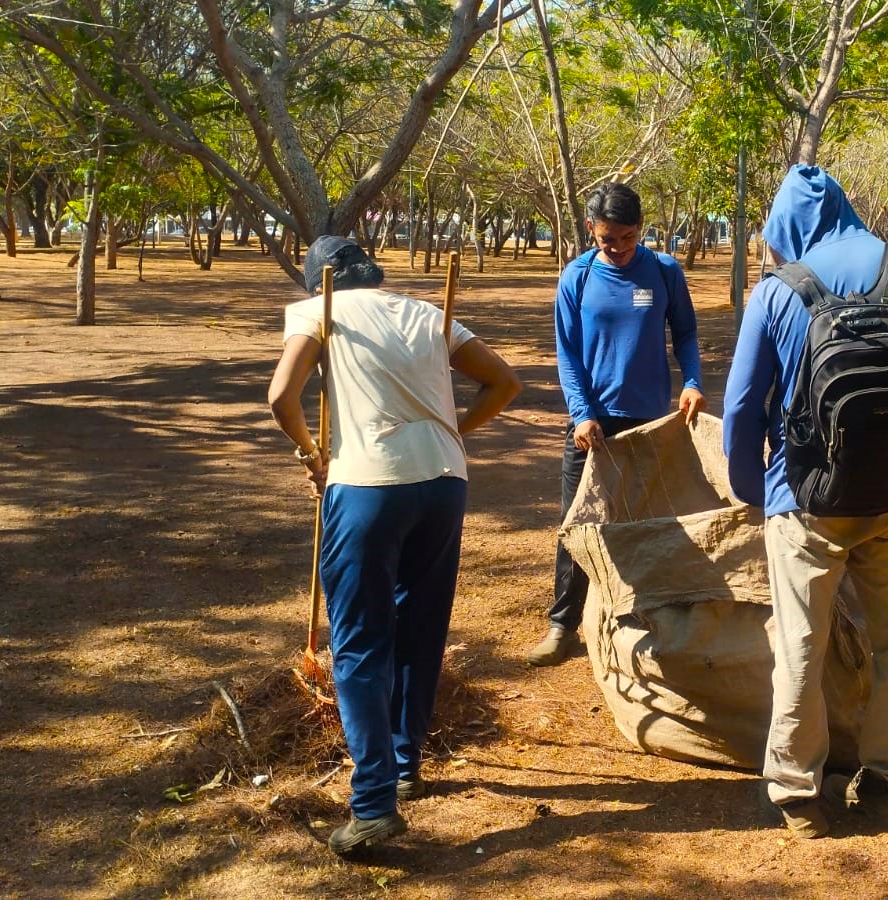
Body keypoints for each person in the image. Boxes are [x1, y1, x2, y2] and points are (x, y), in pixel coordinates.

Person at [722, 166, 888, 838]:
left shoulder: (777, 291)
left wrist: (755, 492)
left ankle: (798, 794)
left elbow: (742, 406)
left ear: (784, 226)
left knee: (800, 643)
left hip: (803, 501)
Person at [267, 236, 520, 856]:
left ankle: (375, 802)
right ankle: (405, 765)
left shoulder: (316, 310)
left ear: (318, 280)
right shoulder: (424, 311)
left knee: (357, 642)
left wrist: (313, 454)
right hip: (444, 483)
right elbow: (504, 383)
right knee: (420, 626)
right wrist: (447, 430)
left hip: (368, 485)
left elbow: (280, 396)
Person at [528, 182, 706, 667]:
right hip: (592, 426)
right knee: (577, 525)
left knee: (648, 522)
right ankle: (563, 626)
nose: (620, 248)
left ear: (640, 229)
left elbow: (685, 333)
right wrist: (580, 414)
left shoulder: (665, 271)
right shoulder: (577, 277)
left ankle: (646, 618)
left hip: (651, 421)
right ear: (591, 230)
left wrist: (692, 381)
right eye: (609, 239)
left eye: (628, 237)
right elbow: (568, 354)